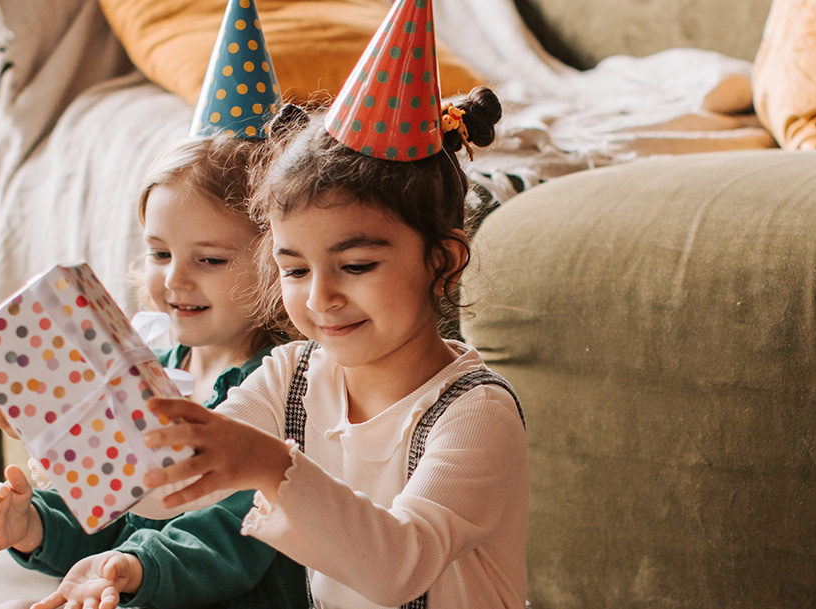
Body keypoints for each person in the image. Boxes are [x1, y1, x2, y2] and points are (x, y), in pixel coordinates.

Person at [135, 0, 529, 607]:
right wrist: (64, 426)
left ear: (443, 262)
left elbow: (399, 567)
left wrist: (270, 465)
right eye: (294, 269)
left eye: (356, 266)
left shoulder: (475, 414)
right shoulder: (288, 378)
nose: (320, 297)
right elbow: (171, 487)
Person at [0, 129, 309, 609]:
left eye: (209, 259)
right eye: (160, 253)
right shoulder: (152, 368)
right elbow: (112, 513)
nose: (174, 278)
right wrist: (36, 526)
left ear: (277, 264)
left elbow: (235, 535)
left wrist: (135, 565)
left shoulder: (279, 387)